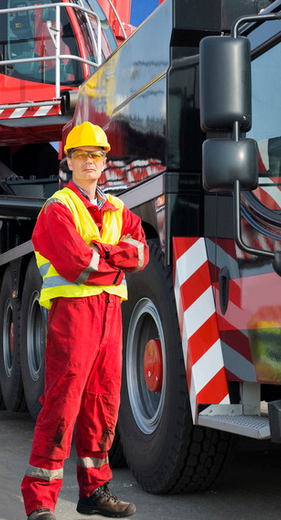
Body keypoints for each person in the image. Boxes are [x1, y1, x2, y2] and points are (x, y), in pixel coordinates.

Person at [21, 122, 149, 520]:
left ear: (105, 162)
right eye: (82, 155)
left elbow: (141, 252)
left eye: (97, 155)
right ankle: (40, 501)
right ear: (69, 162)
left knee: (103, 405)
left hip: (110, 316)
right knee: (62, 404)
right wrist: (113, 258)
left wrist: (101, 255)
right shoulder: (58, 208)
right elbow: (77, 263)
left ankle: (93, 491)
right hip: (73, 316)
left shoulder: (117, 209)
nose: (90, 162)